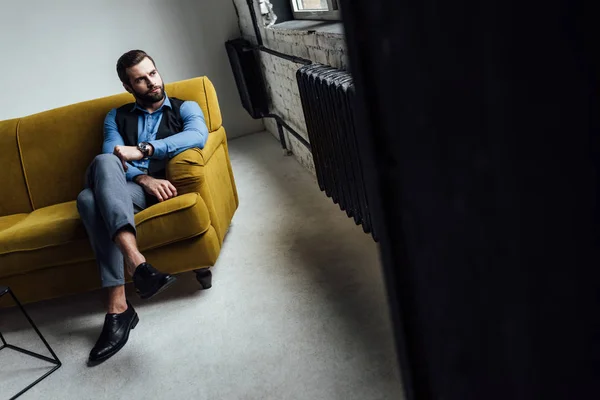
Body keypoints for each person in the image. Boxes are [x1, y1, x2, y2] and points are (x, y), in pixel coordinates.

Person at [77, 50, 209, 365]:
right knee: (104, 161)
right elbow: (112, 157)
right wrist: (145, 178)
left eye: (152, 73)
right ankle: (138, 266)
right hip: (127, 186)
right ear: (129, 86)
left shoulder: (184, 107)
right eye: (140, 79)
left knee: (86, 200)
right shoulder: (116, 116)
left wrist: (146, 149)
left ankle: (119, 308)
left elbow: (197, 136)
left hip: (148, 193)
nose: (151, 83)